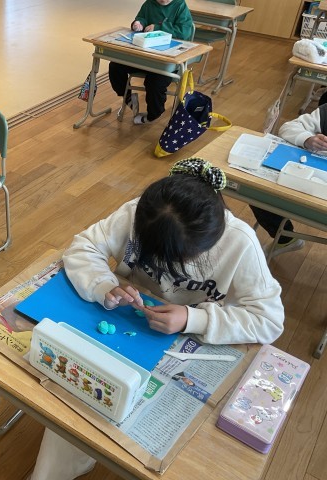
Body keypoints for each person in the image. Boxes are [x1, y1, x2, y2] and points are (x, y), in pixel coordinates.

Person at [30, 158, 285, 480]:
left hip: (189, 343)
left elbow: (269, 320)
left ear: (208, 244)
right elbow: (84, 247)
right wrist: (104, 286)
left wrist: (192, 319)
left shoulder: (240, 243)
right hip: (127, 329)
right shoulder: (138, 213)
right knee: (77, 396)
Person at [250, 99, 327, 257]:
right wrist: (308, 139)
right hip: (310, 179)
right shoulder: (325, 112)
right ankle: (285, 240)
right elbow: (288, 127)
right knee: (255, 189)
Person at [108, 0, 193, 125]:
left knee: (155, 82)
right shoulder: (149, 4)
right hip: (144, 57)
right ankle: (128, 98)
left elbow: (184, 32)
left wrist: (158, 28)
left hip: (166, 62)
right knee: (115, 66)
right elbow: (141, 18)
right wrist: (138, 23)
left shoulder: (180, 6)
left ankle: (154, 114)